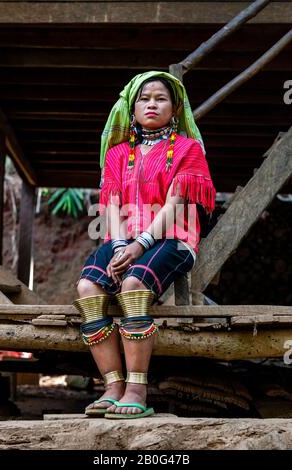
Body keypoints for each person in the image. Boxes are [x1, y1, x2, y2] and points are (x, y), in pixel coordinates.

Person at [73, 71, 216, 419]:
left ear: (175, 108)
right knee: (87, 288)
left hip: (172, 237)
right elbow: (111, 205)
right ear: (132, 108)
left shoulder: (187, 149)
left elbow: (175, 204)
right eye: (144, 98)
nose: (151, 103)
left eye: (161, 98)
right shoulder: (118, 153)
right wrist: (122, 243)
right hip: (124, 237)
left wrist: (140, 245)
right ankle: (112, 386)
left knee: (134, 285)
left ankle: (137, 389)